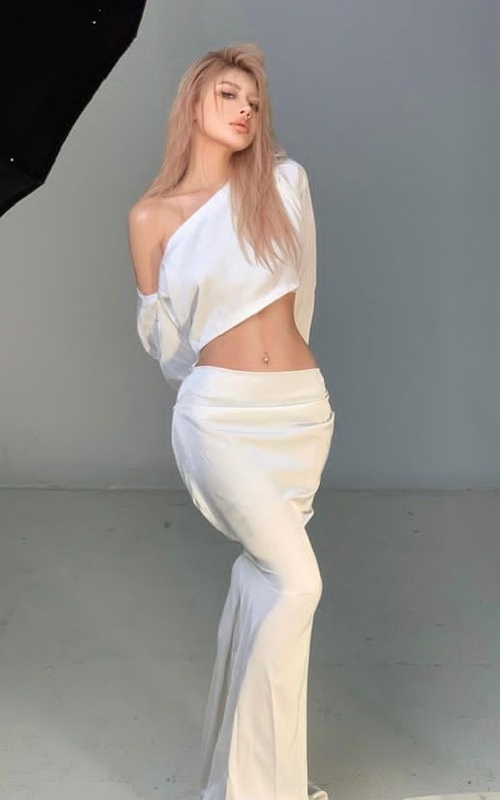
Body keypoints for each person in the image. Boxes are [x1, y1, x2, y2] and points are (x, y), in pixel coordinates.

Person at [128, 42, 335, 800]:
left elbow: (302, 293)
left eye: (253, 101)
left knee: (270, 583)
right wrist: (222, 383)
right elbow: (166, 340)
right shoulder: (151, 217)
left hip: (298, 414)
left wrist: (288, 379)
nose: (245, 109)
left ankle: (266, 782)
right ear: (193, 103)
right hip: (219, 419)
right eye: (227, 95)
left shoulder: (283, 182)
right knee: (297, 585)